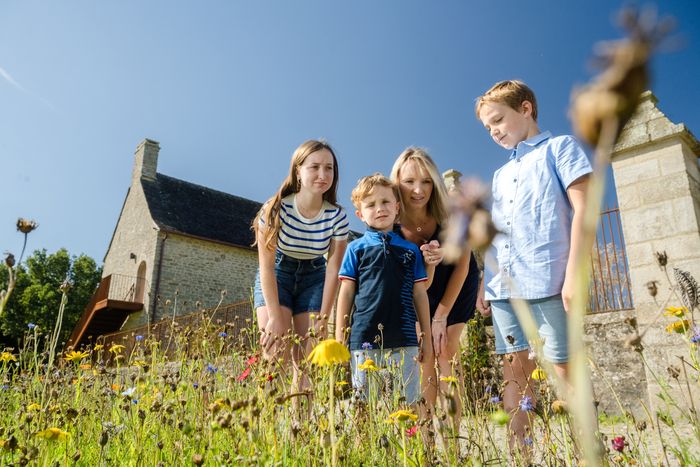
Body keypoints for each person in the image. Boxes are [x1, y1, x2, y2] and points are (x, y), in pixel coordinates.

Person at [475, 80, 591, 456]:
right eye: (487, 127)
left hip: (548, 282)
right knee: (515, 374)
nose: (493, 131)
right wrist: (484, 283)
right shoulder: (500, 174)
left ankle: (584, 454)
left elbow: (584, 211)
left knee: (564, 373)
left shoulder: (561, 148)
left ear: (525, 109)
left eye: (498, 120)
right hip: (505, 290)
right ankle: (519, 457)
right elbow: (497, 235)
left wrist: (574, 275)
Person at [390, 148, 479, 427]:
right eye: (409, 182)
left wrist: (440, 316)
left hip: (455, 284)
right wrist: (422, 323)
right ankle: (426, 439)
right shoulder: (388, 222)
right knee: (424, 356)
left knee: (447, 351)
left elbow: (464, 264)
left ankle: (452, 441)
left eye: (426, 181)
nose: (419, 190)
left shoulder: (449, 213)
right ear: (397, 183)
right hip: (416, 293)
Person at [252, 139, 349, 392]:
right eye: (314, 167)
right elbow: (266, 266)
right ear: (298, 171)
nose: (322, 174)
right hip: (278, 275)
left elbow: (333, 270)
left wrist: (324, 319)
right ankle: (268, 426)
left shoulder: (336, 216)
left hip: (315, 277)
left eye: (329, 168)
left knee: (306, 360)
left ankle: (300, 428)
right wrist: (274, 316)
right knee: (276, 349)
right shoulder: (274, 210)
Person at [335, 174, 433, 408]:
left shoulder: (411, 251)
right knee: (363, 406)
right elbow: (346, 293)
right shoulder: (354, 249)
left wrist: (426, 337)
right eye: (371, 205)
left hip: (405, 339)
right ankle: (364, 445)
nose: (379, 209)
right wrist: (340, 336)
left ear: (397, 208)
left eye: (386, 202)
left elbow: (420, 294)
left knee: (408, 404)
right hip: (363, 340)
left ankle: (411, 444)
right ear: (360, 214)